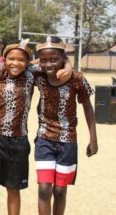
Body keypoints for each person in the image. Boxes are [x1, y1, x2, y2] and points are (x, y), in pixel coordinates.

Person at [34, 36, 98, 215]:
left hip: (67, 140)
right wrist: (66, 65)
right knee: (44, 189)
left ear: (62, 58)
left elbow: (87, 106)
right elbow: (22, 63)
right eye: (44, 60)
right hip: (44, 138)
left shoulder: (77, 78)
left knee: (60, 191)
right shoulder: (37, 74)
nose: (48, 64)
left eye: (54, 59)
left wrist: (93, 139)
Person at [0, 39, 35, 215]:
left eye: (21, 59)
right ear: (5, 60)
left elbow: (53, 60)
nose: (15, 63)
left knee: (13, 189)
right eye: (11, 58)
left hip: (19, 140)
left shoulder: (32, 75)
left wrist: (67, 64)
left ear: (27, 62)